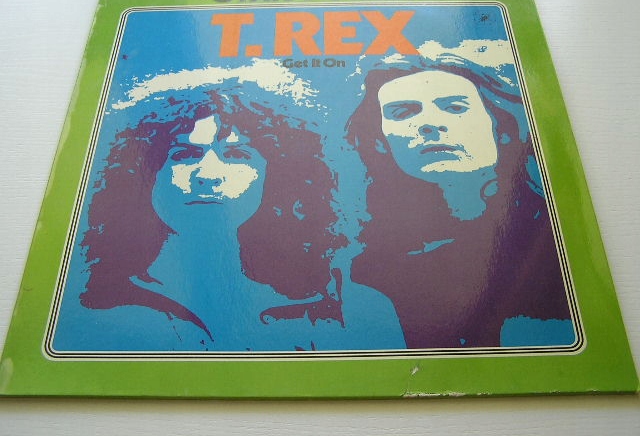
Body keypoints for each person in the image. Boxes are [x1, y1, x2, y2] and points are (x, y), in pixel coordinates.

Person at [54, 81, 404, 352]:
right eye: (184, 154)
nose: (208, 174)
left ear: (277, 175)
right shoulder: (90, 304)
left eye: (237, 154)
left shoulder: (341, 304)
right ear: (145, 174)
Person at [346, 54, 576, 349]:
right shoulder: (364, 264)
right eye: (403, 112)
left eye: (455, 108)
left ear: (501, 126)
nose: (429, 124)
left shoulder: (554, 235)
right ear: (379, 141)